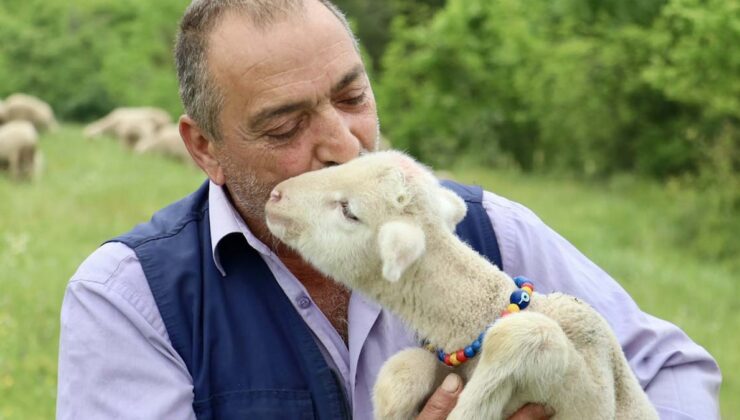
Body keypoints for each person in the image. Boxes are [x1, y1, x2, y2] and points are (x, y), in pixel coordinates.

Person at [56, 0, 721, 419]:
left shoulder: (489, 229)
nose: (345, 146)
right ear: (204, 148)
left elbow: (671, 369)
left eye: (352, 97)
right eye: (286, 127)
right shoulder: (129, 300)